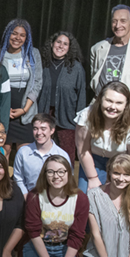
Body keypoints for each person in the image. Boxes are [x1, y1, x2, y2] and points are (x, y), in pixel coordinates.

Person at [23, 156, 88, 257]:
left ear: (68, 174)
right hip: (38, 247)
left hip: (64, 248)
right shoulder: (35, 196)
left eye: (61, 172)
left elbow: (77, 235)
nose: (56, 176)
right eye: (51, 172)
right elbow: (33, 233)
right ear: (45, 174)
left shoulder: (80, 198)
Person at [76, 81, 130, 192]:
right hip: (93, 159)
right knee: (87, 197)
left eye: (119, 103)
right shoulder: (87, 116)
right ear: (100, 99)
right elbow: (83, 150)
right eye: (109, 101)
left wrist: (118, 179)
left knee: (118, 197)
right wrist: (93, 178)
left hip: (124, 162)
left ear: (126, 105)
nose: (113, 107)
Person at [38, 31, 86, 162]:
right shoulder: (43, 64)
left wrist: (79, 119)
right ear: (52, 43)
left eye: (65, 44)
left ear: (69, 48)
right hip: (45, 113)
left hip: (68, 116)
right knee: (43, 150)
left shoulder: (76, 68)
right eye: (58, 42)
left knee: (66, 153)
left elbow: (81, 94)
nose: (61, 46)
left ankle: (66, 180)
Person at [0, 19, 43, 154]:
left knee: (24, 153)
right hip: (3, 111)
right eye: (14, 33)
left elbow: (37, 83)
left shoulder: (33, 54)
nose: (17, 38)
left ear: (26, 38)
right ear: (8, 34)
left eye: (22, 35)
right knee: (3, 153)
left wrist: (24, 109)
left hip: (26, 112)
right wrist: (4, 109)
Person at [12, 114, 71, 197]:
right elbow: (18, 179)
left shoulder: (62, 155)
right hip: (30, 198)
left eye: (43, 129)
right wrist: (26, 197)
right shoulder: (23, 152)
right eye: (35, 129)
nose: (39, 133)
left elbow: (67, 180)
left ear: (52, 130)